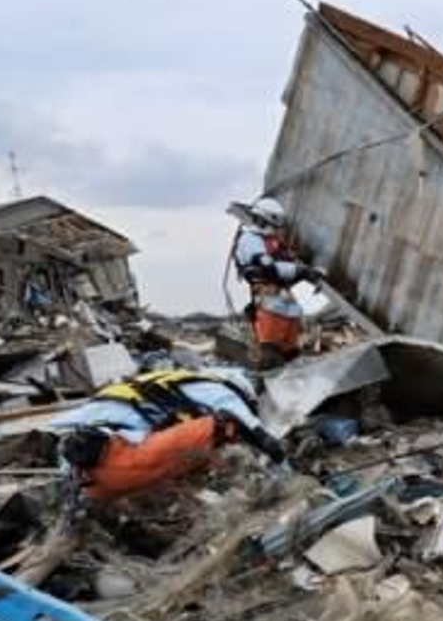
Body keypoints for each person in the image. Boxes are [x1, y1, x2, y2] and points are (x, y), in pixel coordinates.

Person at [51, 369, 285, 501]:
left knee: (191, 456)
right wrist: (279, 461)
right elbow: (241, 420)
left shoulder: (172, 384)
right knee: (222, 427)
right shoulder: (218, 390)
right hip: (110, 461)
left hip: (80, 470)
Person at [231, 196, 322, 367]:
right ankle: (269, 385)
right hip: (268, 300)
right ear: (262, 220)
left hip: (284, 302)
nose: (275, 230)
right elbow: (269, 269)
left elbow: (289, 266)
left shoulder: (272, 242)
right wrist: (300, 271)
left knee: (291, 354)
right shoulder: (250, 240)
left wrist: (307, 271)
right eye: (272, 225)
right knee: (270, 354)